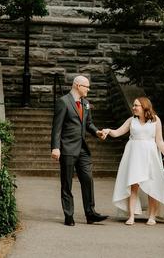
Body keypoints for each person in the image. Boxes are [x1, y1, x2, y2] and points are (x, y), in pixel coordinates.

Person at [102, 97, 164, 226]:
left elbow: (159, 141)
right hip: (134, 156)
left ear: (144, 107)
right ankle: (131, 216)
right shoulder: (131, 120)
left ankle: (152, 216)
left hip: (150, 155)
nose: (133, 108)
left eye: (136, 105)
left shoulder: (155, 120)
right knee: (133, 185)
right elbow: (117, 132)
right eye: (133, 105)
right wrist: (108, 130)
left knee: (152, 185)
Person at [51, 75, 109, 226]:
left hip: (82, 148)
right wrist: (55, 147)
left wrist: (97, 132)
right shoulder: (63, 102)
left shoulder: (86, 103)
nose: (88, 90)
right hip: (67, 148)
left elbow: (88, 123)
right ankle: (68, 215)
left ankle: (90, 214)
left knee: (88, 179)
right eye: (86, 87)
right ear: (77, 85)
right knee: (67, 183)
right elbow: (56, 128)